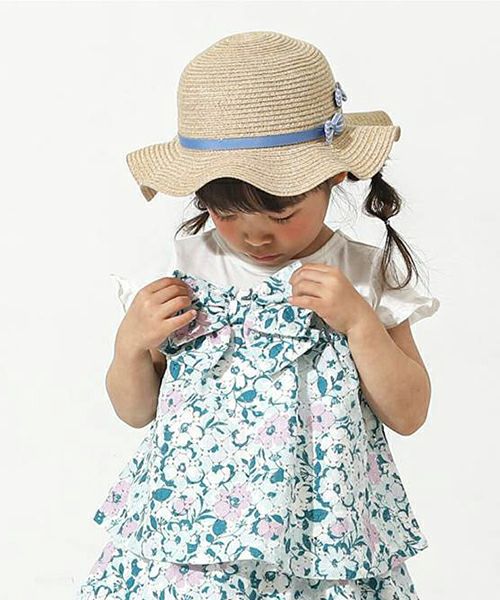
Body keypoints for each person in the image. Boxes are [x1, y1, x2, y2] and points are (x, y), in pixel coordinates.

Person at [76, 31, 440, 600]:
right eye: (226, 214)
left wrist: (360, 325)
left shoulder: (362, 275)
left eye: (282, 214)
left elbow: (410, 412)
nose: (255, 236)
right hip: (187, 538)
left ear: (334, 177)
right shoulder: (182, 270)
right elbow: (136, 411)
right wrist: (130, 346)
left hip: (318, 541)